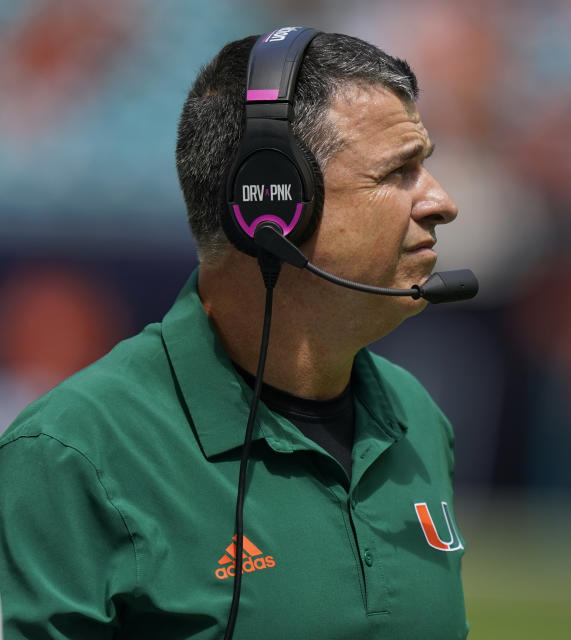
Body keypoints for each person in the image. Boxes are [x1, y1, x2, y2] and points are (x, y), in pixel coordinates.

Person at [0, 29, 469, 639]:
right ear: (272, 202)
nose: (441, 201)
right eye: (399, 171)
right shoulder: (70, 454)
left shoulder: (415, 416)